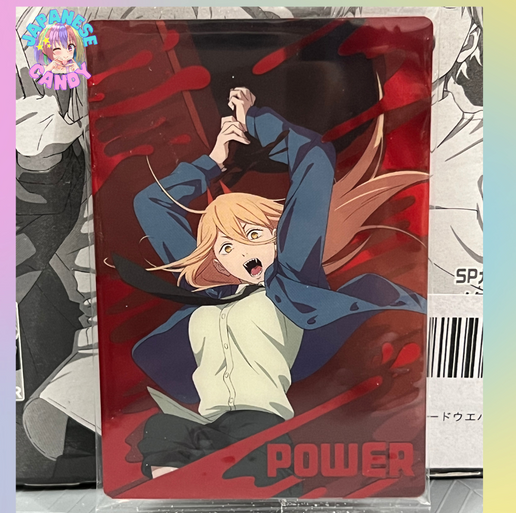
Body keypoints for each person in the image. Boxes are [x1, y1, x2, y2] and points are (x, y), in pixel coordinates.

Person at [115, 88, 426, 486]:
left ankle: (247, 485)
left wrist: (254, 120)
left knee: (247, 465)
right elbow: (151, 204)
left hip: (261, 429)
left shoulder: (290, 278)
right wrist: (212, 162)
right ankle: (186, 498)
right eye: (226, 247)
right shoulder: (212, 292)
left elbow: (314, 158)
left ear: (278, 234)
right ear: (216, 260)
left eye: (253, 234)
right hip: (208, 425)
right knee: (162, 433)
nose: (243, 251)